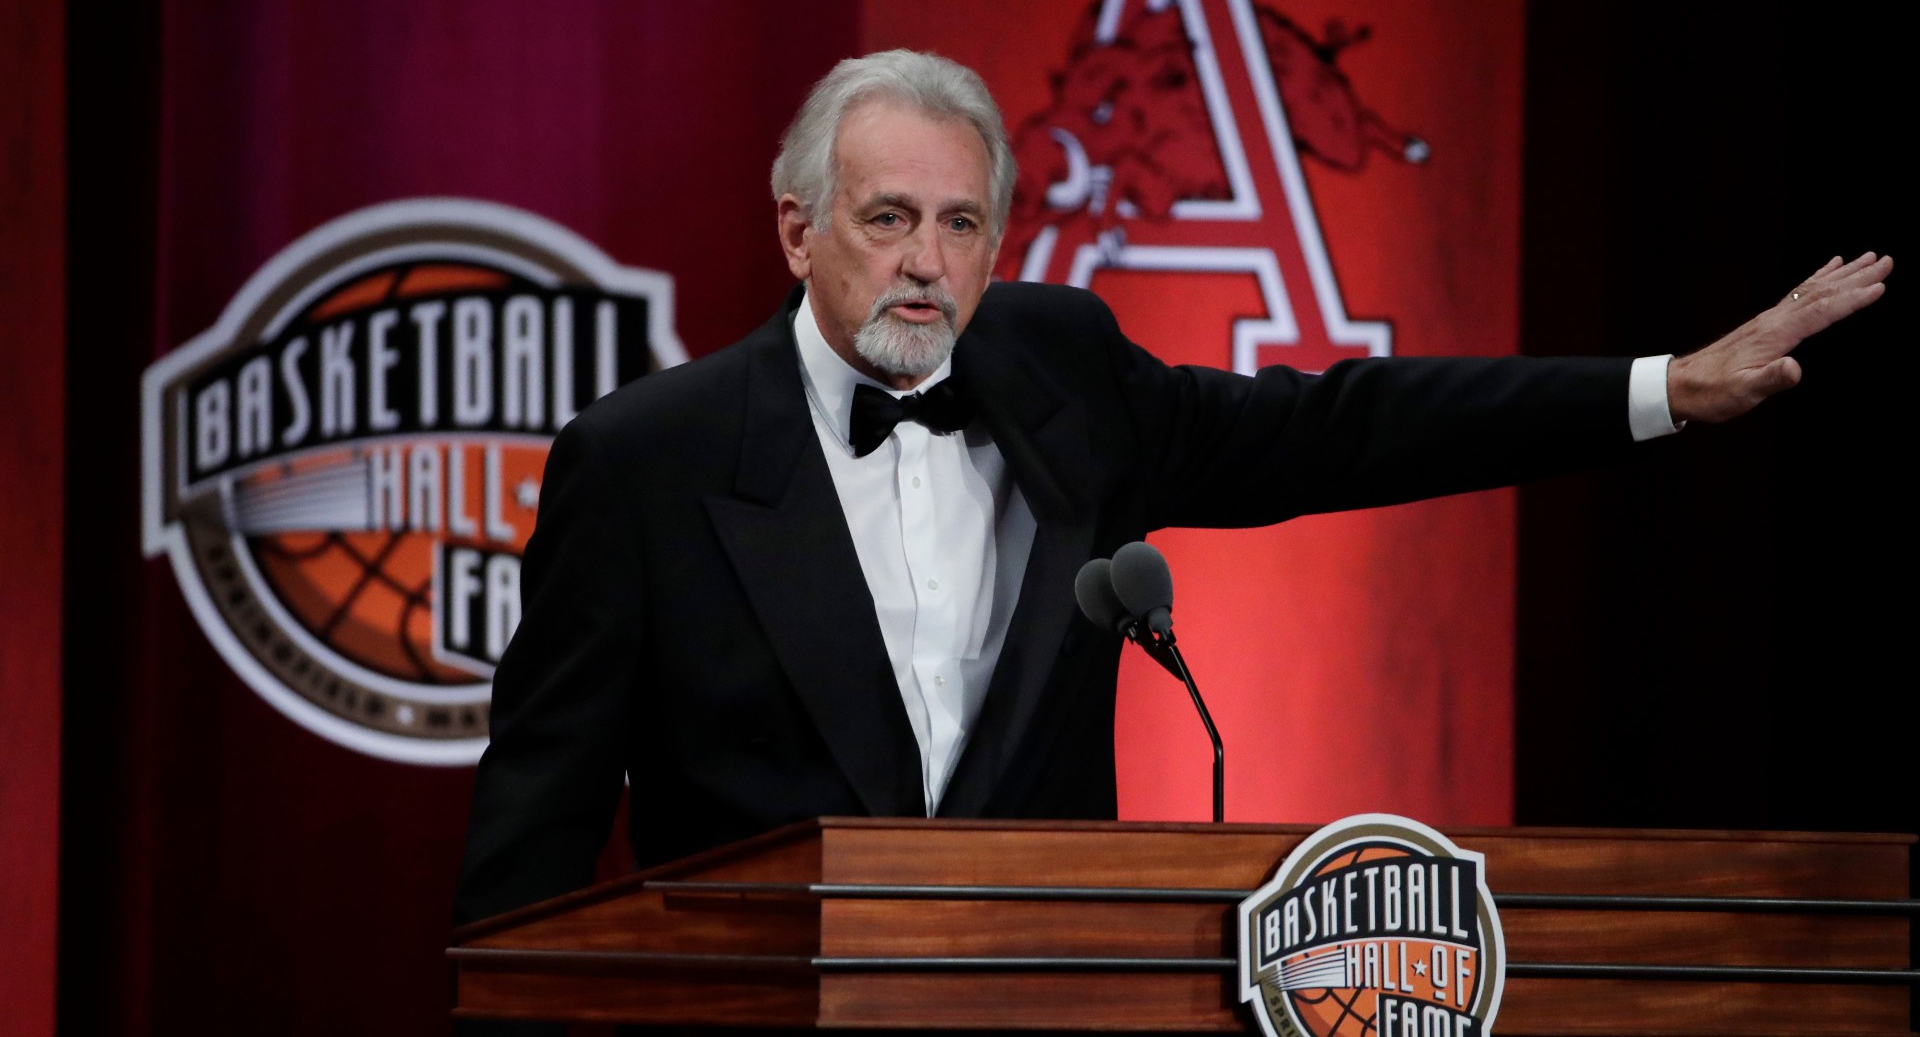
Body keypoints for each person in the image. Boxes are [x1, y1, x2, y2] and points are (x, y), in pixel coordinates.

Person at [453, 49, 1891, 928]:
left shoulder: (1059, 372)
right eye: (888, 219)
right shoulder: (646, 458)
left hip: (1043, 996)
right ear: (797, 230)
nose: (924, 263)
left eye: (962, 225)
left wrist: (1664, 389)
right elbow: (538, 822)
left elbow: (1345, 428)